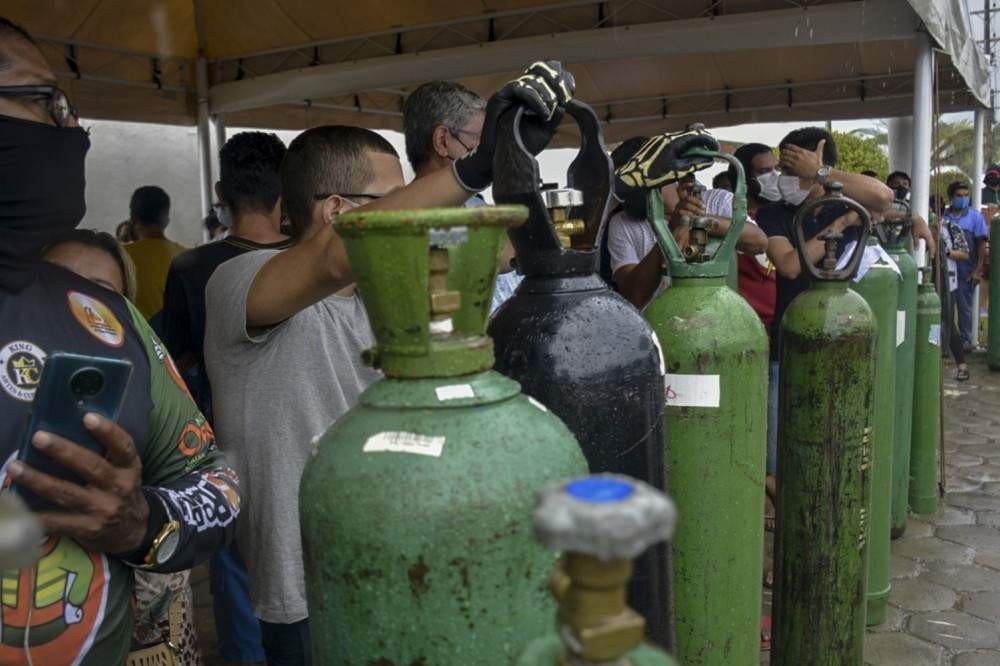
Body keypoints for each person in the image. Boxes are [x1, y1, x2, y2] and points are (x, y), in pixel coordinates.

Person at [204, 62, 577, 665]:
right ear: (335, 212)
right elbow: (329, 261)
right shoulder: (237, 284)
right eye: (394, 199)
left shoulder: (389, 299)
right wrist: (470, 168)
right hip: (302, 590)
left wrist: (513, 170)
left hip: (393, 557)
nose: (415, 211)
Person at [0, 17, 240, 665]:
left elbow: (216, 482)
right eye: (45, 103)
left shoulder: (99, 313)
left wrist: (140, 523)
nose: (72, 131)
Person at [42, 229, 202, 664]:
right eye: (56, 282)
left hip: (143, 619)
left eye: (100, 293)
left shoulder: (148, 380)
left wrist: (141, 530)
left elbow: (197, 478)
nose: (74, 303)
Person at [162, 131, 290, 664]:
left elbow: (175, 359)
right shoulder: (313, 263)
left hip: (226, 447)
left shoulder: (193, 268)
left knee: (238, 582)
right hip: (306, 436)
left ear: (220, 191)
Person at [401, 80, 522, 313]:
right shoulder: (408, 220)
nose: (492, 148)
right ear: (442, 141)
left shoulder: (473, 204)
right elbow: (504, 254)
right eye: (483, 138)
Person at [607, 137, 768, 310]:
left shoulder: (717, 200)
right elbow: (634, 297)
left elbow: (759, 242)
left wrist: (699, 221)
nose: (625, 194)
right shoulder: (622, 224)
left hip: (716, 315)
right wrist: (670, 230)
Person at [123, 185, 186, 321]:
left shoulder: (121, 257)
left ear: (133, 217)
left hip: (136, 338)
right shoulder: (185, 256)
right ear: (166, 220)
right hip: (174, 340)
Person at [942, 180, 989, 349]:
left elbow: (981, 245)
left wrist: (978, 270)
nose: (963, 199)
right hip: (945, 270)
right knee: (944, 309)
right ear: (951, 197)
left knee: (965, 309)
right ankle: (944, 343)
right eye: (959, 196)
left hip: (966, 270)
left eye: (965, 196)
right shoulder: (943, 217)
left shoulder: (975, 217)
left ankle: (965, 342)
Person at [939, 216, 972, 379]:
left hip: (947, 280)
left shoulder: (951, 228)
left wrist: (946, 252)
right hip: (923, 278)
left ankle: (962, 365)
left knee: (948, 321)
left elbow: (965, 253)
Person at [883, 170, 937, 255]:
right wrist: (910, 216)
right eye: (896, 183)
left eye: (905, 184)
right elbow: (880, 212)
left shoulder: (913, 205)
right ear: (888, 185)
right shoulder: (881, 202)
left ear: (909, 187)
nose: (901, 187)